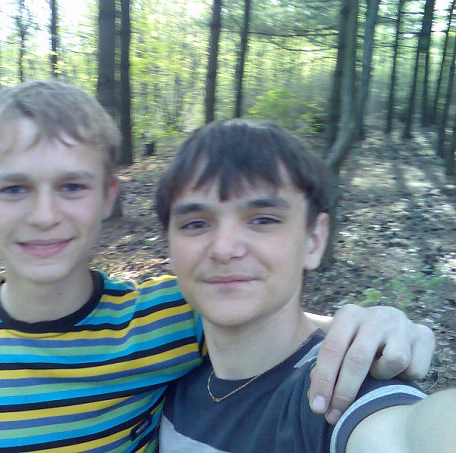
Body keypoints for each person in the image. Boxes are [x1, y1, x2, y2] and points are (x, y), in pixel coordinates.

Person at [0, 78, 435, 452]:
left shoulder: (163, 317)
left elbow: (275, 321)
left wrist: (376, 324)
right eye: (13, 189)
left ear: (108, 197)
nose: (43, 215)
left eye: (72, 186)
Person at [156, 119, 455, 452]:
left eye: (263, 219)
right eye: (195, 224)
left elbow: (412, 433)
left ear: (314, 240)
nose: (224, 248)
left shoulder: (337, 392)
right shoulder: (162, 381)